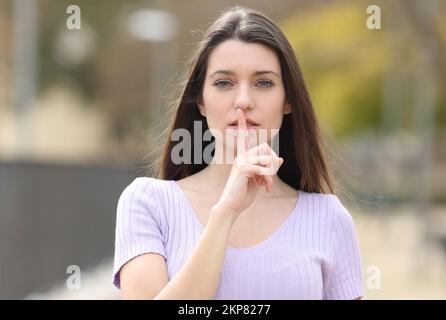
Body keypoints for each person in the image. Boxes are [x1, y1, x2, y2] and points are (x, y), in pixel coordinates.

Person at [112, 5, 364, 300]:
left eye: (264, 83)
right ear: (201, 102)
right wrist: (226, 212)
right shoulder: (149, 204)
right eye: (223, 83)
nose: (243, 100)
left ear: (288, 101)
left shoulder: (328, 218)